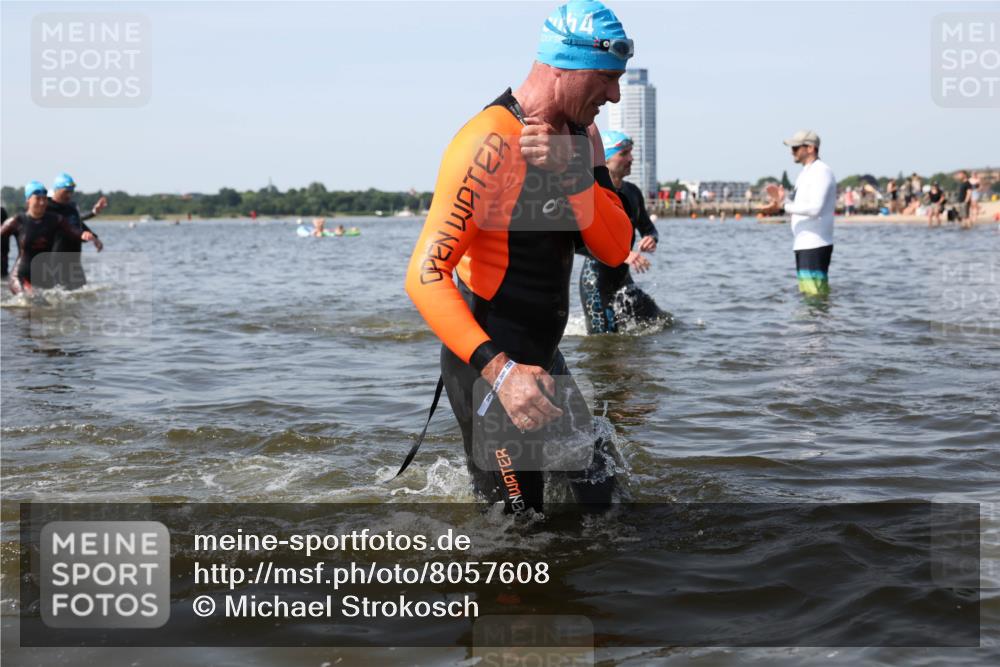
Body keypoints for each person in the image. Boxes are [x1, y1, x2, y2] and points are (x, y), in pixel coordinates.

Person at [404, 1, 634, 514]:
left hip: (546, 357)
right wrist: (502, 371)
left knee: (609, 503)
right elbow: (425, 274)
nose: (614, 94)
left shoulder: (584, 136)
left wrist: (574, 176)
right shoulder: (488, 142)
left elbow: (615, 248)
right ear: (562, 67)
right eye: (605, 78)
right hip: (493, 364)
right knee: (520, 536)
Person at [578, 130, 667, 333]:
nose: (631, 158)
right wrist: (623, 253)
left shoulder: (632, 192)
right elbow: (577, 243)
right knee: (604, 345)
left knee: (662, 323)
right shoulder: (592, 194)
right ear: (607, 160)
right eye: (624, 153)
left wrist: (650, 238)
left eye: (631, 152)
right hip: (596, 284)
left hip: (623, 280)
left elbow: (649, 227)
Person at [761, 130, 836, 296]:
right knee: (809, 297)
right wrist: (782, 201)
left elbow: (815, 209)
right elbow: (800, 206)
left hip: (815, 243)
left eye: (795, 148)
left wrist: (783, 206)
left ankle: (823, 322)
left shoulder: (821, 171)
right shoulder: (805, 173)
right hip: (804, 243)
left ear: (810, 148)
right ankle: (818, 322)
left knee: (815, 297)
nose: (791, 152)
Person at [1, 181, 97, 295]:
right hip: (21, 276)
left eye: (44, 199)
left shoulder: (55, 219)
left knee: (50, 306)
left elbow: (72, 230)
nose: (42, 203)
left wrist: (82, 234)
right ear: (28, 200)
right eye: (38, 199)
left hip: (44, 276)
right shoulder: (18, 221)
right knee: (29, 299)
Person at [48, 172, 106, 289]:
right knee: (59, 294)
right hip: (56, 259)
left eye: (71, 191)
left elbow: (77, 223)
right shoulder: (48, 208)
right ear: (57, 190)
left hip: (74, 260)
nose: (69, 195)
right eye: (66, 191)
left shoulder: (72, 207)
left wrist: (94, 238)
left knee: (81, 293)